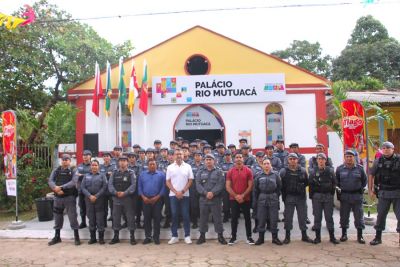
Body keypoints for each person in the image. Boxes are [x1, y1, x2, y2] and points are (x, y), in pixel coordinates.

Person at [369, 141, 400, 245]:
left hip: (397, 192)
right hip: (383, 192)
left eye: (388, 148)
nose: (386, 149)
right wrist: (371, 189)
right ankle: (378, 237)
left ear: (393, 149)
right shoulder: (378, 161)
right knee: (381, 215)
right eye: (384, 148)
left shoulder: (399, 159)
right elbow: (371, 174)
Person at [280, 153, 313, 244]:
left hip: (300, 197)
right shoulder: (283, 171)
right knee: (288, 218)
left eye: (294, 159)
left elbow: (306, 183)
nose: (293, 160)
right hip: (289, 197)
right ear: (288, 160)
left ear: (297, 160)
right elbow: (281, 185)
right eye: (291, 159)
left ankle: (304, 236)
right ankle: (287, 237)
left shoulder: (302, 171)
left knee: (302, 217)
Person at [48, 154, 80, 246]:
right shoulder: (56, 170)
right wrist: (55, 188)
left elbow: (73, 182)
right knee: (57, 217)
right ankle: (57, 237)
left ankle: (76, 237)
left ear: (70, 161)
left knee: (72, 217)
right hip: (58, 198)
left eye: (67, 159)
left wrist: (61, 188)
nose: (65, 161)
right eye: (63, 159)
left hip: (69, 197)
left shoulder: (74, 170)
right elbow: (50, 181)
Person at [195, 154, 227, 245]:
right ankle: (202, 236)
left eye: (210, 159)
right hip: (203, 198)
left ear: (214, 161)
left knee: (218, 218)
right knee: (203, 218)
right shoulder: (200, 171)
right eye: (207, 159)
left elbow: (221, 184)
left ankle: (220, 236)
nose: (208, 161)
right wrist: (206, 193)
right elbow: (198, 184)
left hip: (216, 198)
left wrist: (212, 193)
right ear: (204, 161)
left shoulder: (219, 172)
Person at [336, 150, 367, 244]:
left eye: (351, 156)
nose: (349, 158)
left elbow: (364, 181)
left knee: (359, 216)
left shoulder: (360, 169)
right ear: (344, 158)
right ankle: (344, 234)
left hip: (357, 196)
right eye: (347, 156)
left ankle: (360, 235)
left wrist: (359, 189)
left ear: (354, 158)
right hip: (345, 196)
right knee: (344, 216)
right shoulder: (340, 169)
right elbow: (337, 181)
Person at [166, 148, 194, 245]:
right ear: (173, 155)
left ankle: (187, 236)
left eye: (180, 154)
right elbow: (168, 181)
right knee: (174, 215)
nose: (178, 156)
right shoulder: (170, 167)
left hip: (185, 195)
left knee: (186, 215)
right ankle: (174, 236)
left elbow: (190, 180)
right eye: (177, 154)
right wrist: (175, 192)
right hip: (173, 195)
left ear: (183, 155)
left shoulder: (188, 166)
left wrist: (182, 191)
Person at [226, 152, 254, 245]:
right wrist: (236, 196)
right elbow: (228, 186)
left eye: (240, 157)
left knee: (247, 218)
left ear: (243, 159)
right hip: (233, 199)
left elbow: (250, 186)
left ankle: (249, 237)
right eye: (237, 157)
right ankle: (233, 237)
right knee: (234, 218)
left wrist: (242, 196)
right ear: (234, 159)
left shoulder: (248, 170)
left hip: (246, 199)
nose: (238, 158)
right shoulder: (230, 171)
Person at [309, 153, 338, 244]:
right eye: (319, 159)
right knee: (317, 217)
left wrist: (330, 195)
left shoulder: (330, 171)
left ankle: (332, 237)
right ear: (317, 160)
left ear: (325, 160)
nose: (321, 161)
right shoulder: (313, 172)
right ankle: (318, 237)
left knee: (329, 217)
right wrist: (313, 197)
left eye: (323, 159)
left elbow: (334, 183)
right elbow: (310, 185)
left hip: (327, 197)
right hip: (317, 197)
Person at [108, 155, 137, 245]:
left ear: (127, 162)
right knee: (116, 217)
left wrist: (125, 193)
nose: (122, 162)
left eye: (124, 161)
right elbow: (110, 185)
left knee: (130, 217)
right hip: (116, 198)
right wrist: (115, 192)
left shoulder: (131, 173)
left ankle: (132, 236)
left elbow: (133, 185)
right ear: (118, 162)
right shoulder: (114, 172)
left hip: (127, 198)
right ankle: (116, 236)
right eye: (121, 161)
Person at [253, 159, 283, 246]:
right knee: (261, 219)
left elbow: (279, 187)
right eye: (265, 164)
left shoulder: (275, 175)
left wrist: (275, 196)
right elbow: (255, 190)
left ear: (270, 165)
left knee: (274, 218)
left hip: (273, 197)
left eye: (268, 163)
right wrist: (255, 202)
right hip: (262, 198)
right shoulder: (258, 176)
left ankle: (275, 238)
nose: (266, 165)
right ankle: (261, 238)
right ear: (262, 165)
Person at [138, 159, 166, 245]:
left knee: (157, 219)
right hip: (145, 200)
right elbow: (139, 187)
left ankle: (156, 237)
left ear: (156, 165)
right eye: (150, 164)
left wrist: (157, 197)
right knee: (147, 219)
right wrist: (143, 197)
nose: (152, 166)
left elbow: (164, 187)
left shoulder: (161, 175)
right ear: (147, 165)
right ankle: (148, 237)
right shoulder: (142, 174)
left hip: (157, 200)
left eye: (154, 164)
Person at [81, 160, 108, 245]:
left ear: (98, 166)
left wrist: (96, 196)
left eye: (96, 165)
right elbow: (83, 187)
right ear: (90, 166)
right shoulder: (86, 176)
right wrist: (90, 196)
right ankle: (92, 238)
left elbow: (104, 187)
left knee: (100, 219)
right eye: (92, 165)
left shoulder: (102, 176)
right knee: (91, 219)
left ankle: (101, 238)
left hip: (99, 200)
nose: (94, 167)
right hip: (89, 200)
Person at [75, 150, 92, 229]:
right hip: (81, 190)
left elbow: (93, 175)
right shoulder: (79, 166)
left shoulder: (93, 165)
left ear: (90, 156)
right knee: (82, 206)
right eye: (84, 155)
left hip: (90, 190)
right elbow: (76, 175)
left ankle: (91, 222)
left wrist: (82, 175)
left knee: (90, 207)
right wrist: (85, 175)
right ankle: (83, 222)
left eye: (87, 155)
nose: (85, 156)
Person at [100, 152, 116, 224]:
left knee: (112, 206)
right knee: (103, 207)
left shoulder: (114, 166)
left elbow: (114, 175)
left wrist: (105, 175)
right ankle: (104, 222)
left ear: (110, 157)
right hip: (103, 190)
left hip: (111, 189)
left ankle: (113, 222)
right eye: (104, 156)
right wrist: (107, 174)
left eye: (107, 156)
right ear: (103, 158)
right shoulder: (100, 166)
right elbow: (99, 175)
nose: (106, 157)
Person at [190, 150, 203, 229]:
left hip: (202, 186)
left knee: (202, 205)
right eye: (196, 155)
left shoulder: (204, 165)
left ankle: (202, 222)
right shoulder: (190, 165)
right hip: (193, 186)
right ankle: (194, 222)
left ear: (201, 157)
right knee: (193, 205)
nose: (197, 157)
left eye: (199, 155)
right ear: (194, 157)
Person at [220, 150, 234, 223]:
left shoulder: (234, 164)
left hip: (233, 186)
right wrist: (229, 172)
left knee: (233, 202)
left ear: (231, 155)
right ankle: (226, 216)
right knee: (225, 202)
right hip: (224, 186)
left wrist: (225, 172)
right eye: (226, 155)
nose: (227, 156)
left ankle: (234, 216)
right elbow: (220, 173)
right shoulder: (221, 164)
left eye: (229, 155)